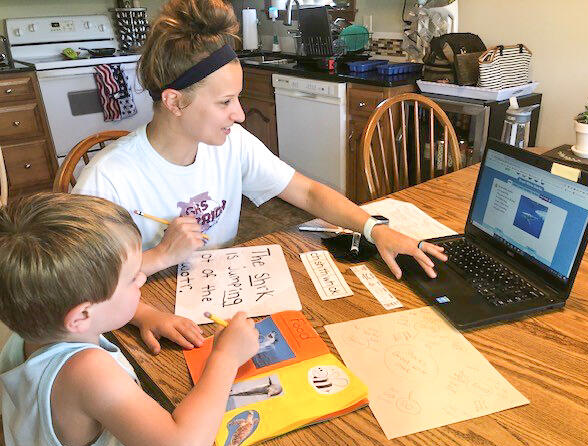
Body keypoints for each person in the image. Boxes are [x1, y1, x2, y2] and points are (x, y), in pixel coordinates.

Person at [73, 0, 446, 283]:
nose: (238, 115)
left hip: (216, 289)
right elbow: (84, 286)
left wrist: (374, 229)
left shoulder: (230, 143)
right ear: (174, 101)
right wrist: (156, 271)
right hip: (141, 307)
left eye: (237, 98)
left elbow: (308, 194)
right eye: (224, 102)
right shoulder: (107, 179)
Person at [0, 193, 259, 446]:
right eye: (132, 277)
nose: (143, 279)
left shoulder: (32, 328)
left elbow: (92, 308)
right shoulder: (87, 372)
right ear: (81, 316)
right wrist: (225, 358)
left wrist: (145, 314)